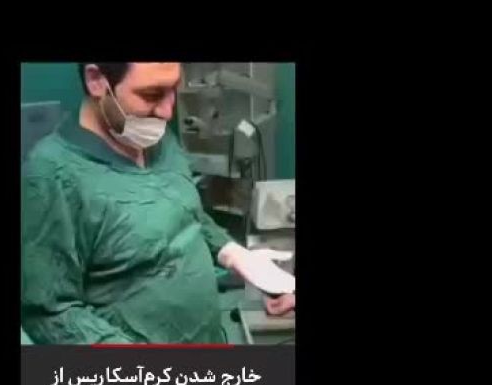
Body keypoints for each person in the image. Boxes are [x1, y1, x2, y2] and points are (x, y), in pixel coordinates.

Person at [21, 62, 294, 344]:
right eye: (152, 94)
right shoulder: (50, 175)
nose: (167, 112)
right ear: (96, 80)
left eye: (173, 89)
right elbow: (50, 313)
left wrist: (231, 252)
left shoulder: (156, 138)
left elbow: (185, 211)